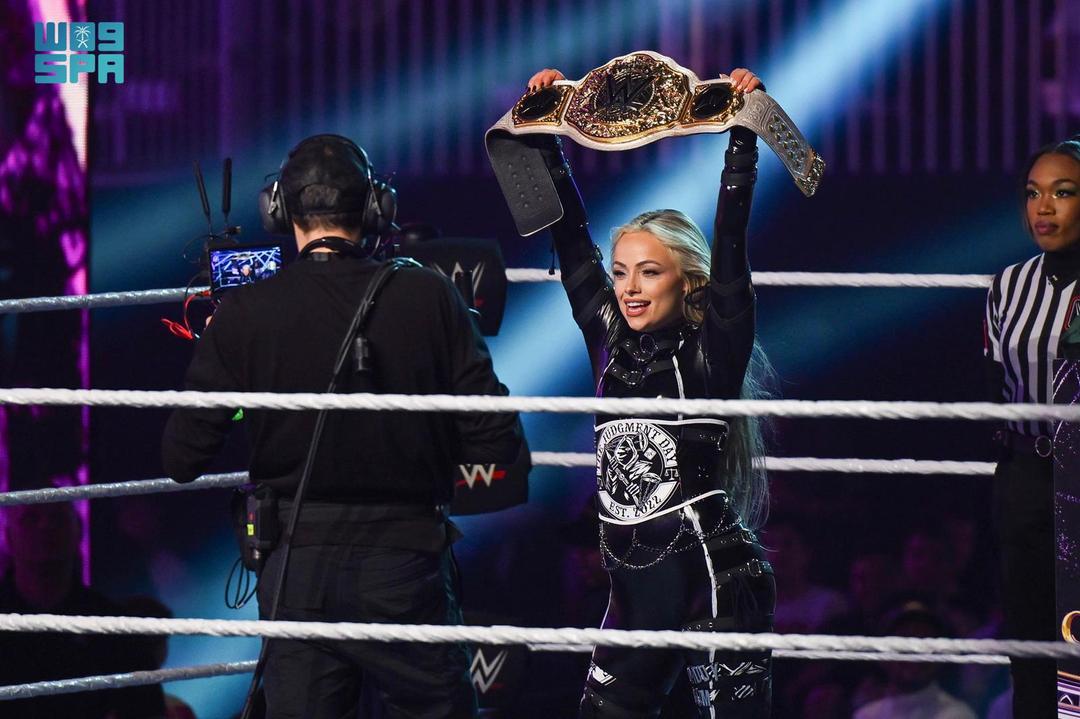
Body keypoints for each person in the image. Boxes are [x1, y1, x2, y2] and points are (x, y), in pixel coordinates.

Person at [162, 134, 525, 718]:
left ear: (279, 209)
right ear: (377, 206)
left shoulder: (245, 313)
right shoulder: (430, 295)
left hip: (296, 570)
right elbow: (498, 440)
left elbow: (182, 459)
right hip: (406, 561)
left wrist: (249, 393)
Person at [521, 67, 775, 718]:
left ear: (686, 281)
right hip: (632, 594)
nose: (630, 288)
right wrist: (544, 132)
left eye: (649, 272)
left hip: (713, 578)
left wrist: (742, 137)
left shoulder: (713, 347)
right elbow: (569, 241)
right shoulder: (609, 340)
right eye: (621, 273)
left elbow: (732, 243)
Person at [983, 133, 1080, 717]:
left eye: (1063, 192)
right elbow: (994, 382)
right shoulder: (1009, 284)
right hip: (1026, 469)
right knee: (1029, 636)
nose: (1044, 207)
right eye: (1033, 192)